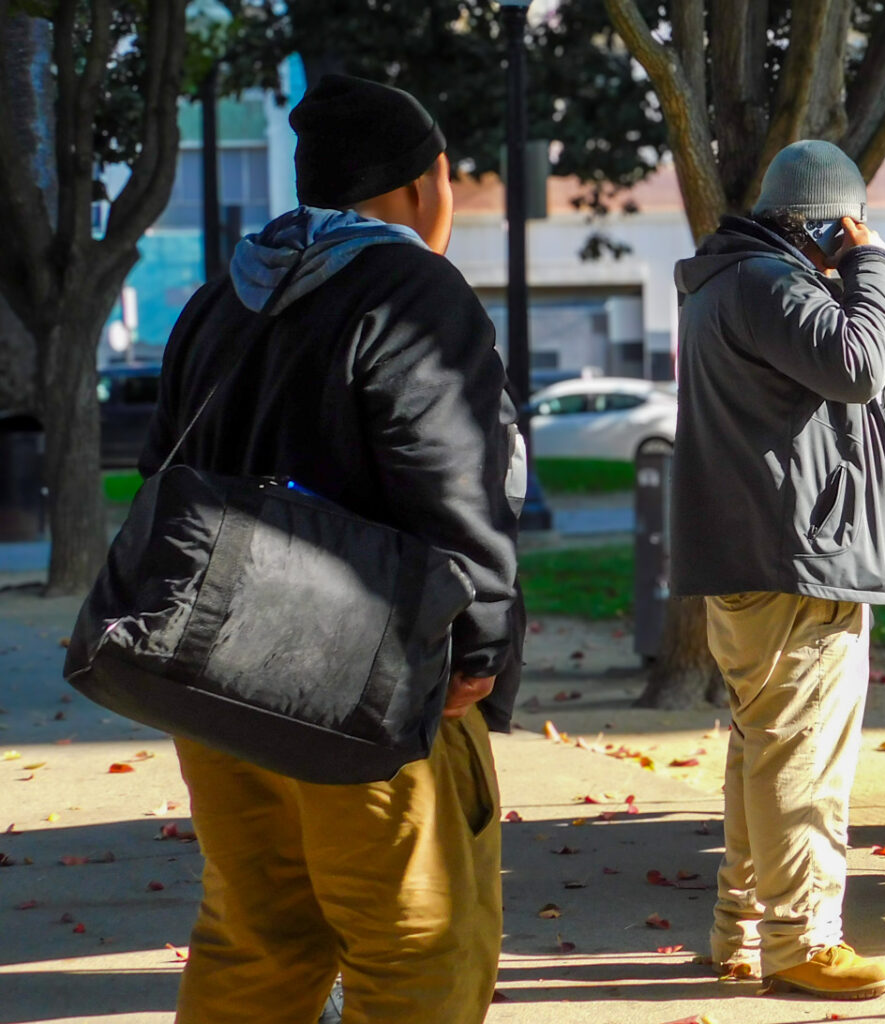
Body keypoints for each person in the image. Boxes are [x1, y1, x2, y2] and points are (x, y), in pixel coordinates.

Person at [138, 75, 522, 1022]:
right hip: (365, 682)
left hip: (215, 682)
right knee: (420, 946)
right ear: (425, 184)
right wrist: (476, 646)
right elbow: (453, 474)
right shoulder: (414, 290)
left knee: (257, 940)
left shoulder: (219, 300)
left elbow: (160, 478)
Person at [671, 140, 885, 1000]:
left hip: (766, 552)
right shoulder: (769, 284)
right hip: (793, 561)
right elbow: (860, 367)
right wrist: (872, 265)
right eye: (849, 227)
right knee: (801, 757)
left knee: (765, 753)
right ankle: (804, 940)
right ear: (826, 225)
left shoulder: (729, 283)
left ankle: (740, 931)